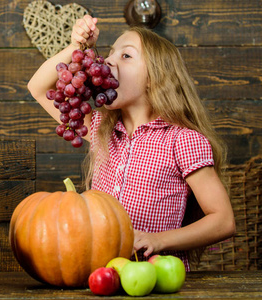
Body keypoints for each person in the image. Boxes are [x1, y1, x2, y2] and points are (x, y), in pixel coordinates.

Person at [27, 15, 236, 271]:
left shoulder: (183, 140)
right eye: (110, 54)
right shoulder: (101, 128)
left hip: (155, 275)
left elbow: (223, 220)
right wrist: (77, 48)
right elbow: (38, 87)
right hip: (100, 272)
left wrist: (156, 240)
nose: (108, 61)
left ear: (153, 78)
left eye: (126, 56)